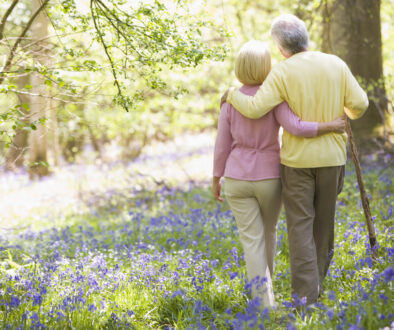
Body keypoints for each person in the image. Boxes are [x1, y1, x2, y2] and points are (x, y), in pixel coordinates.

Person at [222, 14, 369, 305]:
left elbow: (254, 109)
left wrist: (230, 95)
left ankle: (304, 299)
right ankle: (316, 291)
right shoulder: (335, 64)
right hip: (331, 159)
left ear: (280, 48)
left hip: (297, 163)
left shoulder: (281, 72)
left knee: (300, 227)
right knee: (324, 225)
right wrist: (341, 114)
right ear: (307, 39)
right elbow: (360, 105)